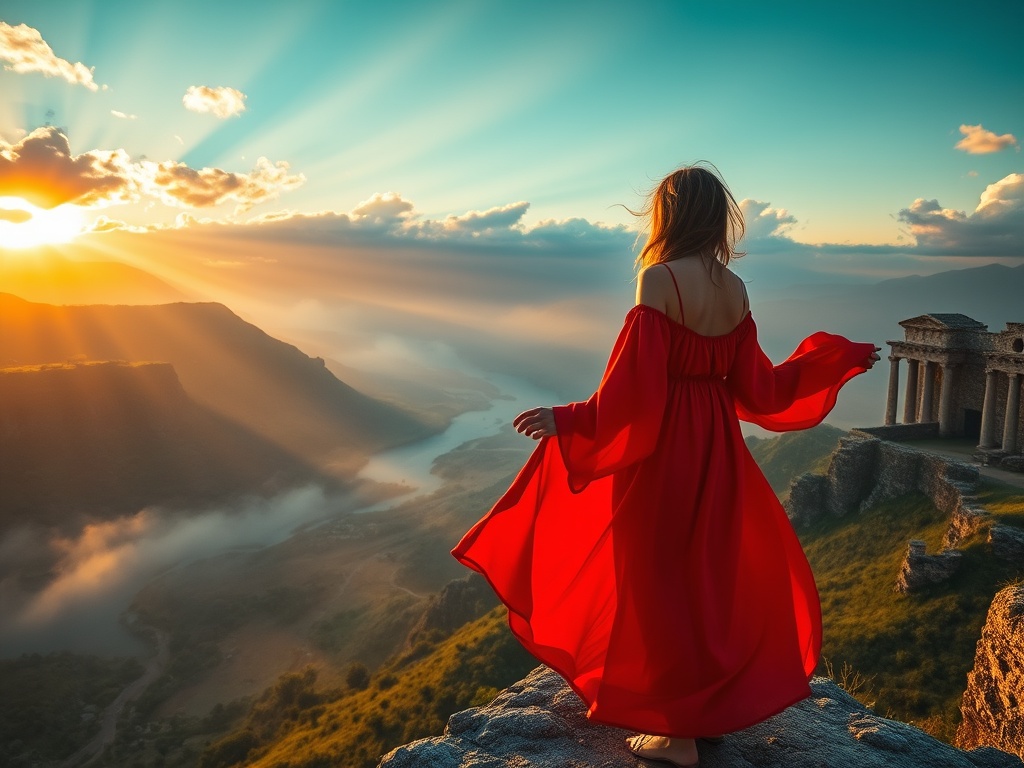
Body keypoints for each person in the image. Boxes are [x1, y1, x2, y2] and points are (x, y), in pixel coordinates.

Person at [452, 164, 880, 768]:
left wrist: (570, 419)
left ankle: (675, 735)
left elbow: (635, 394)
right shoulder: (736, 291)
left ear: (667, 215)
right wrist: (833, 361)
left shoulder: (659, 281)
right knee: (704, 579)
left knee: (655, 580)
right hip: (720, 453)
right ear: (717, 217)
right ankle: (704, 712)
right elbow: (760, 391)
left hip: (663, 455)